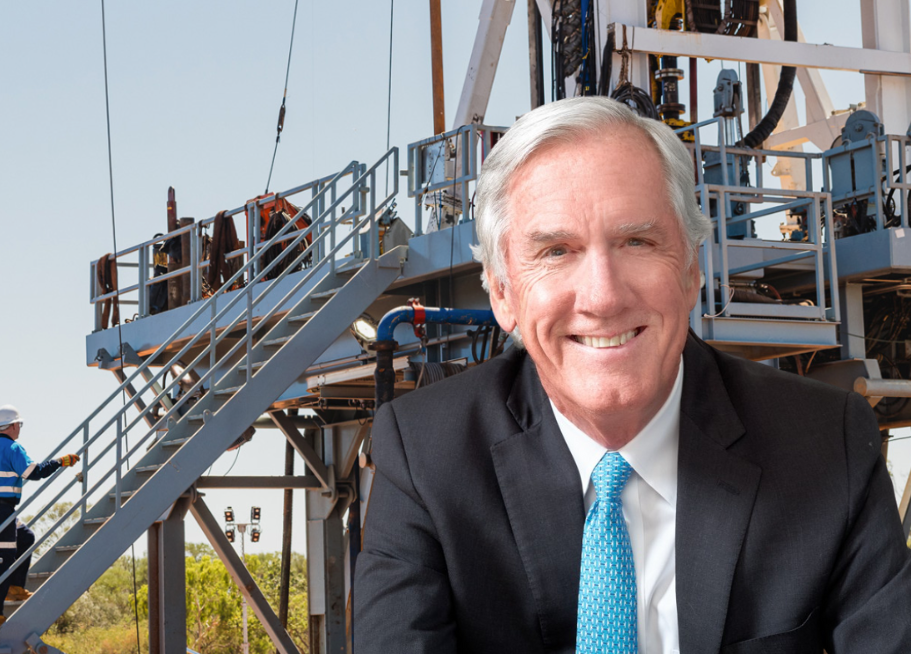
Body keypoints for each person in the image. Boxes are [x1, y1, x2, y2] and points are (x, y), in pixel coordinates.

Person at [354, 97, 911, 653]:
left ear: (691, 270)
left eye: (637, 242)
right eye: (556, 251)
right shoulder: (426, 457)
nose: (603, 297)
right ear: (502, 293)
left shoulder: (827, 446)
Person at [0, 404, 80, 629]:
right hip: (0, 509)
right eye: (19, 425)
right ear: (13, 425)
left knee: (25, 536)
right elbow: (34, 472)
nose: (20, 429)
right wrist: (60, 462)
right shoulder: (13, 448)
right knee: (4, 558)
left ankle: (15, 587)